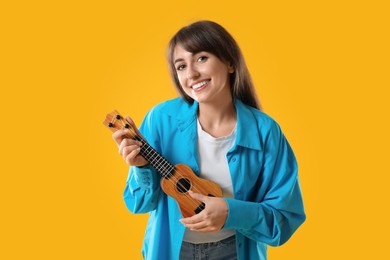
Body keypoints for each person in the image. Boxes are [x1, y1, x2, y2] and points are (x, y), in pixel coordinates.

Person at [112, 20, 305, 260]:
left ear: (231, 63)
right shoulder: (161, 119)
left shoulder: (265, 132)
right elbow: (139, 204)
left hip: (235, 252)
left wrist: (230, 212)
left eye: (201, 58)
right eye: (181, 66)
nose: (191, 73)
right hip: (169, 251)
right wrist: (141, 167)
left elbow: (284, 220)